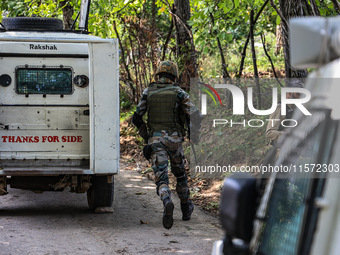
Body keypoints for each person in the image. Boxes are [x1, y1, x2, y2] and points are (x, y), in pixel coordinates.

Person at [132, 60, 202, 229]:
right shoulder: (179, 92)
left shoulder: (148, 91)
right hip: (175, 140)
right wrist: (193, 133)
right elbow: (196, 115)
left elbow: (136, 117)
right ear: (174, 75)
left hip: (156, 140)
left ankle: (167, 200)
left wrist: (147, 137)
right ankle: (186, 209)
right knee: (180, 175)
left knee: (161, 177)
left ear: (159, 74)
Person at [266, 79, 304, 145]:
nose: (300, 96)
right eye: (298, 93)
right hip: (281, 148)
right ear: (289, 93)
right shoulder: (279, 108)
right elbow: (270, 133)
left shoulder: (297, 108)